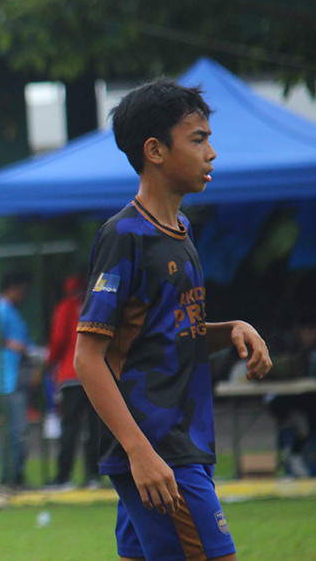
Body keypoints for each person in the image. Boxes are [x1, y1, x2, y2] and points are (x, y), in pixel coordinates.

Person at [74, 79, 272, 561]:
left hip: (176, 448)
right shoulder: (125, 235)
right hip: (159, 451)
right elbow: (88, 358)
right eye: (198, 139)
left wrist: (231, 331)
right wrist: (140, 452)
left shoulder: (181, 232)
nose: (212, 153)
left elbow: (165, 338)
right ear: (155, 151)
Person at [46, 273, 100, 490]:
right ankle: (94, 475)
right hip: (95, 373)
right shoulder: (94, 306)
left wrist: (51, 362)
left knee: (70, 426)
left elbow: (58, 339)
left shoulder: (65, 307)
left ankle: (64, 476)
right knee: (95, 426)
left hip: (70, 374)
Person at [0, 270, 37, 490]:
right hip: (6, 378)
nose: (23, 296)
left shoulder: (13, 312)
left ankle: (14, 476)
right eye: (21, 291)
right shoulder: (0, 309)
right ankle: (11, 479)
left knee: (17, 430)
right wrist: (16, 346)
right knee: (15, 431)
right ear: (12, 289)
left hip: (15, 377)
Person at [264, 315, 316, 477]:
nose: (311, 335)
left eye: (313, 331)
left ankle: (297, 453)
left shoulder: (312, 350)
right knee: (296, 424)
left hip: (307, 398)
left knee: (312, 418)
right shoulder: (284, 344)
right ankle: (291, 454)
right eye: (307, 331)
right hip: (280, 398)